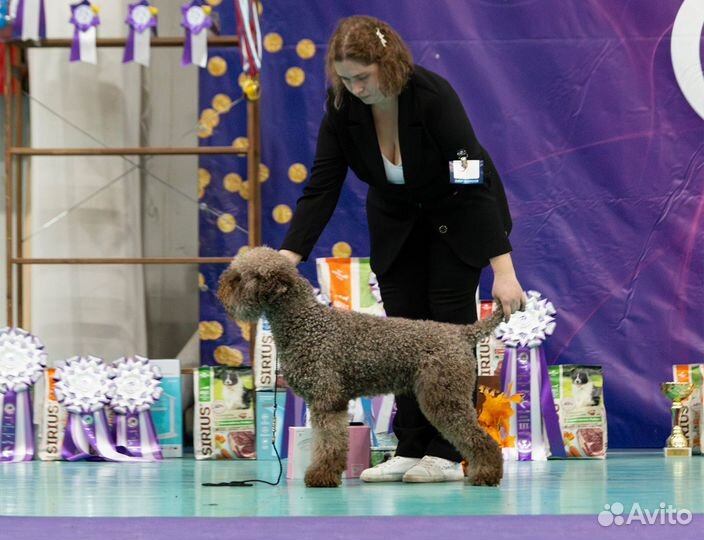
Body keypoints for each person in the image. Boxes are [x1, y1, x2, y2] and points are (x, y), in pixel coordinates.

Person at [279, 15, 525, 483]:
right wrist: (290, 255)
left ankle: (449, 453)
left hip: (460, 215)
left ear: (385, 62)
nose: (353, 87)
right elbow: (322, 186)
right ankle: (410, 446)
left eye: (362, 77)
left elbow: (471, 177)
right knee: (402, 340)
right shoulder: (342, 107)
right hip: (396, 226)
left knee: (446, 336)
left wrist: (504, 267)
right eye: (345, 78)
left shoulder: (432, 96)